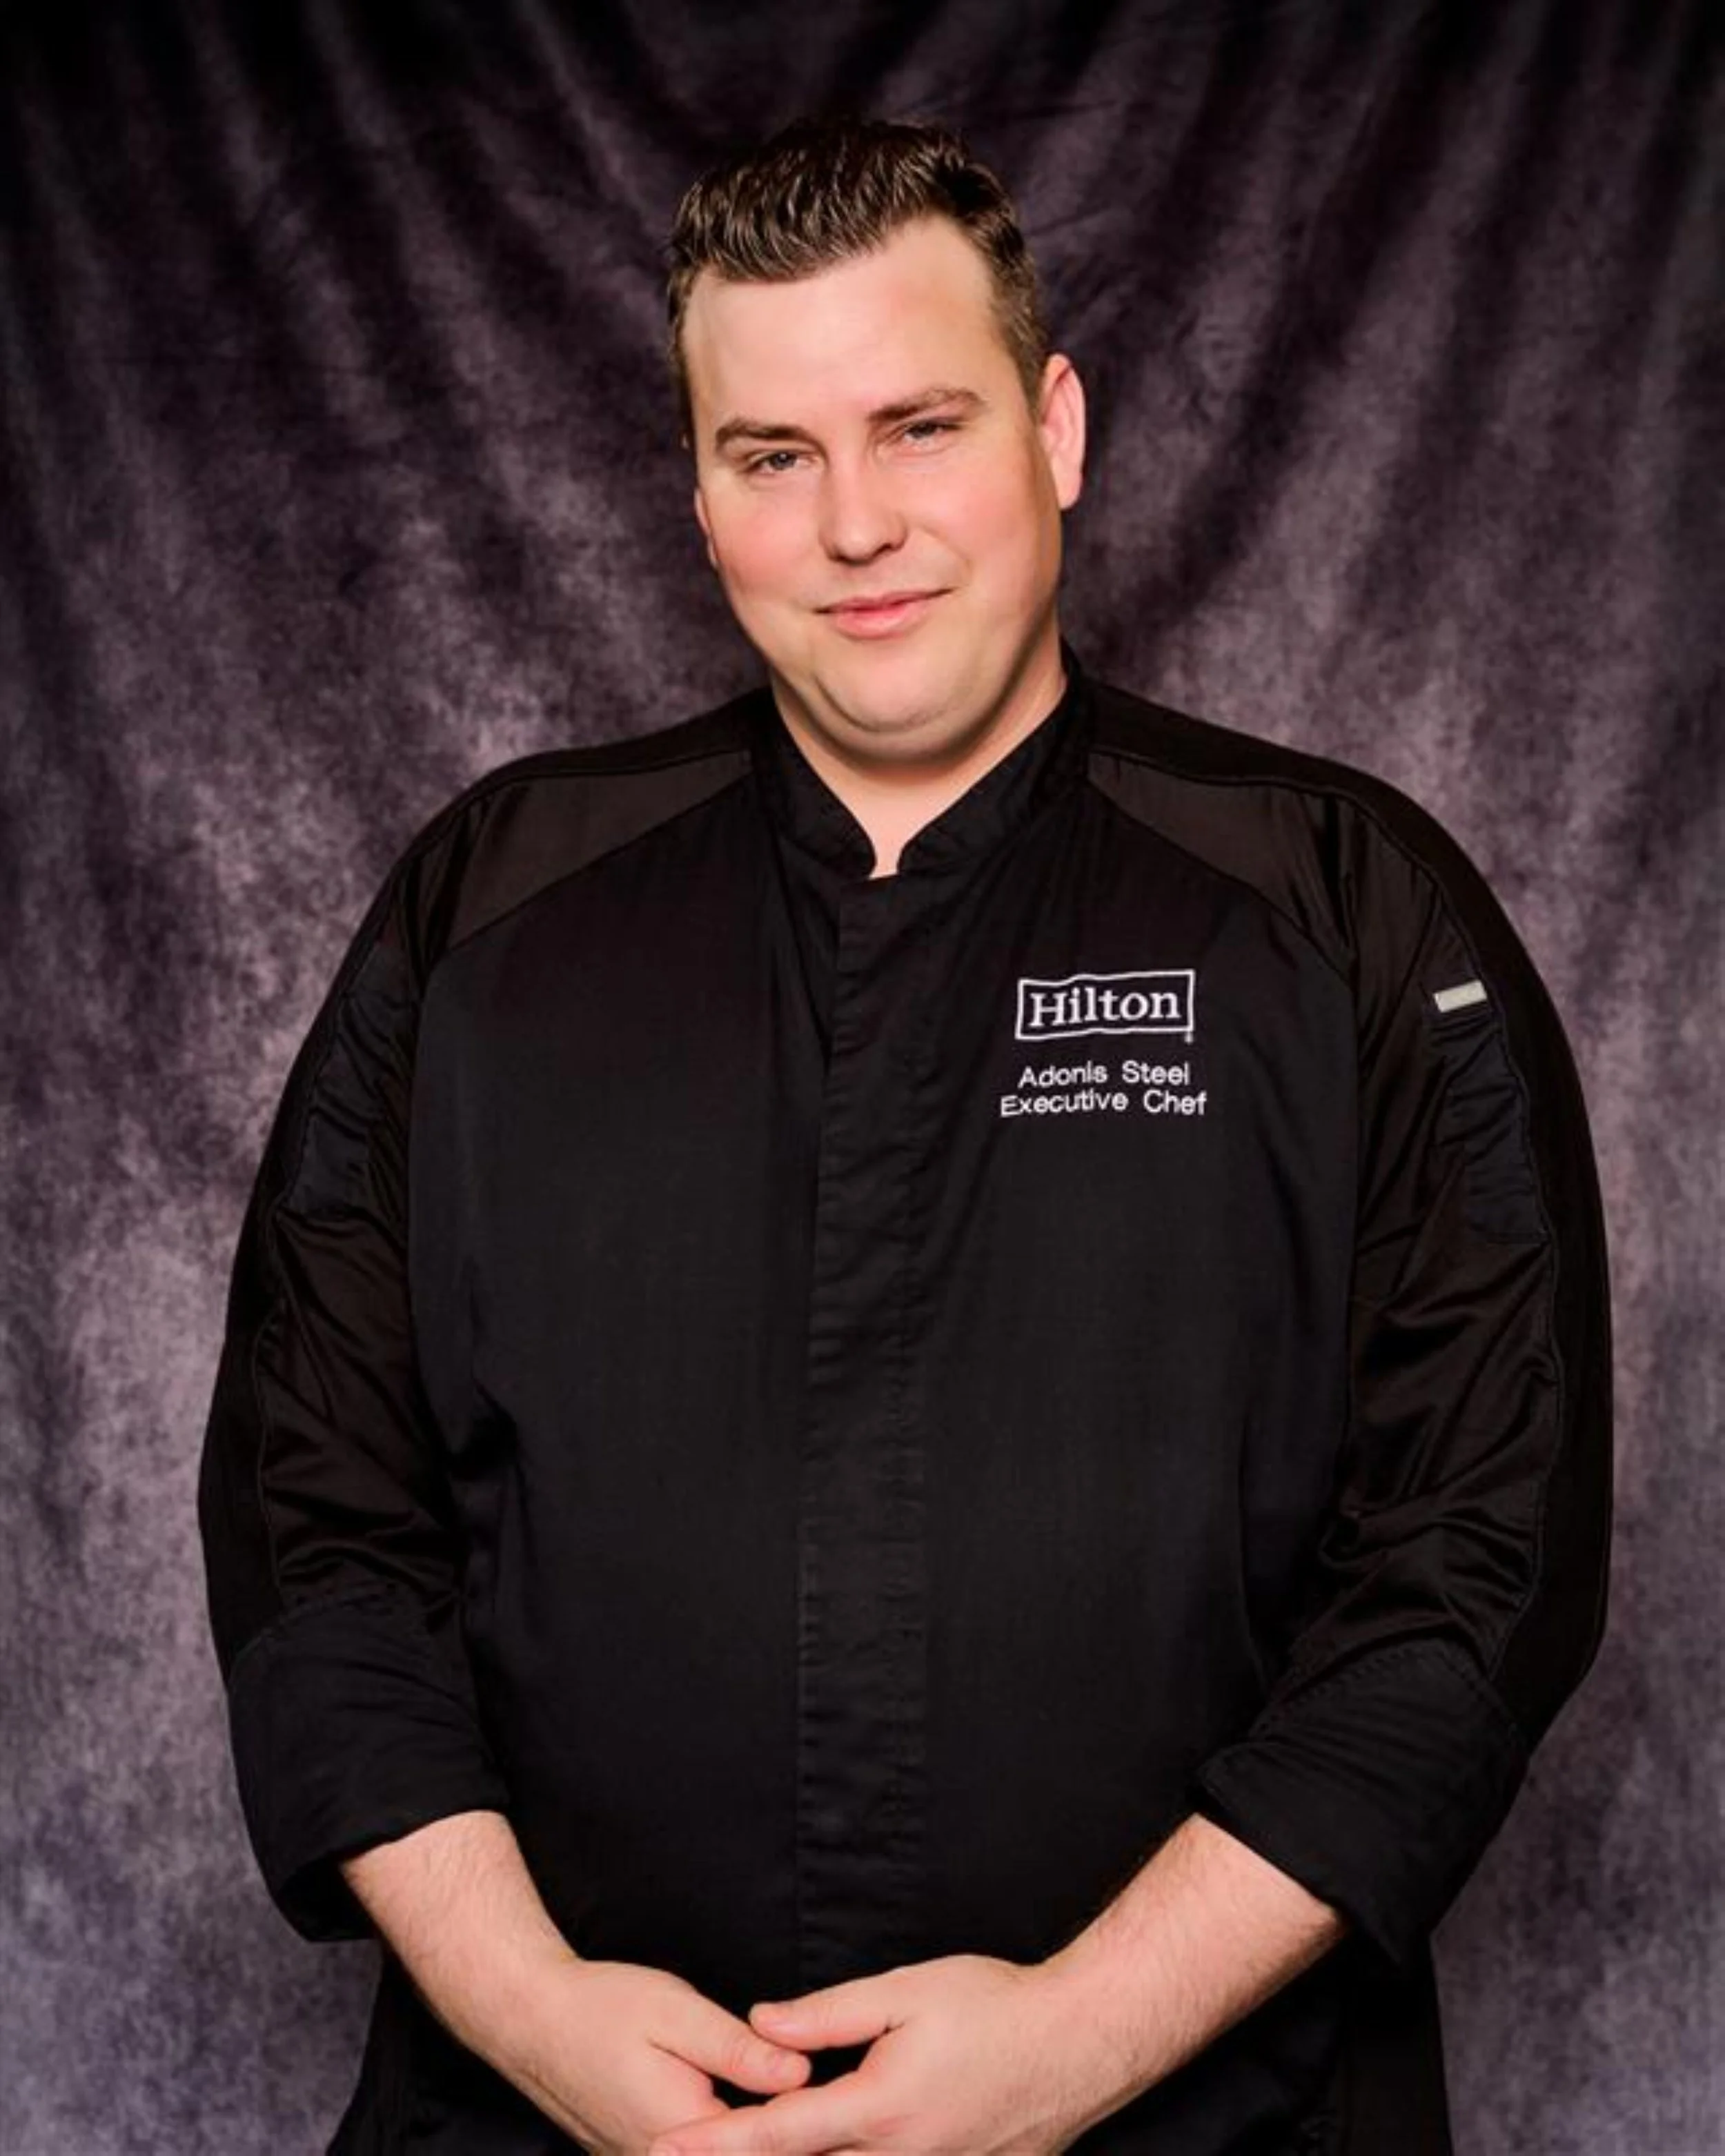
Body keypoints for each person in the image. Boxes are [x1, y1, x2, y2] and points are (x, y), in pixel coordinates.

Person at [197, 115, 1613, 2156]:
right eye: (773, 454)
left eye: (918, 424)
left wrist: (1072, 2048)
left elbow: (1473, 1567)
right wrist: (533, 2018)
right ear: (697, 495)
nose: (855, 522)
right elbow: (317, 1523)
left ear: (1054, 428)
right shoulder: (486, 914)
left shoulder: (1348, 909)